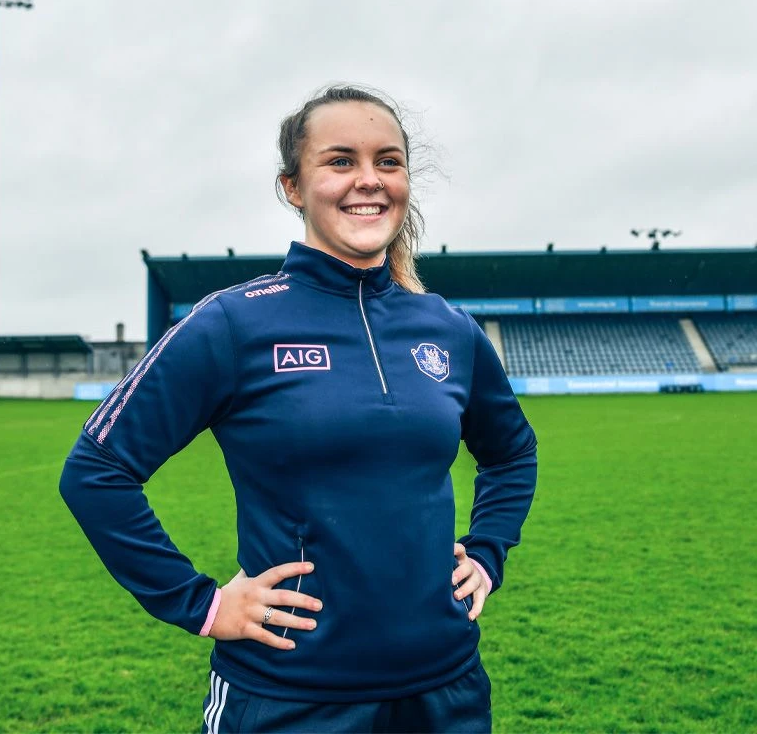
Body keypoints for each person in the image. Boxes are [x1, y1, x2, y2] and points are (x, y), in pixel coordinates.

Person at [60, 85, 537, 733]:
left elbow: (512, 452)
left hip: (447, 689)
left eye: (388, 161)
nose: (368, 180)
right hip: (290, 698)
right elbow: (96, 471)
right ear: (292, 187)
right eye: (340, 161)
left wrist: (487, 552)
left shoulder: (448, 328)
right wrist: (202, 605)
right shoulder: (234, 322)